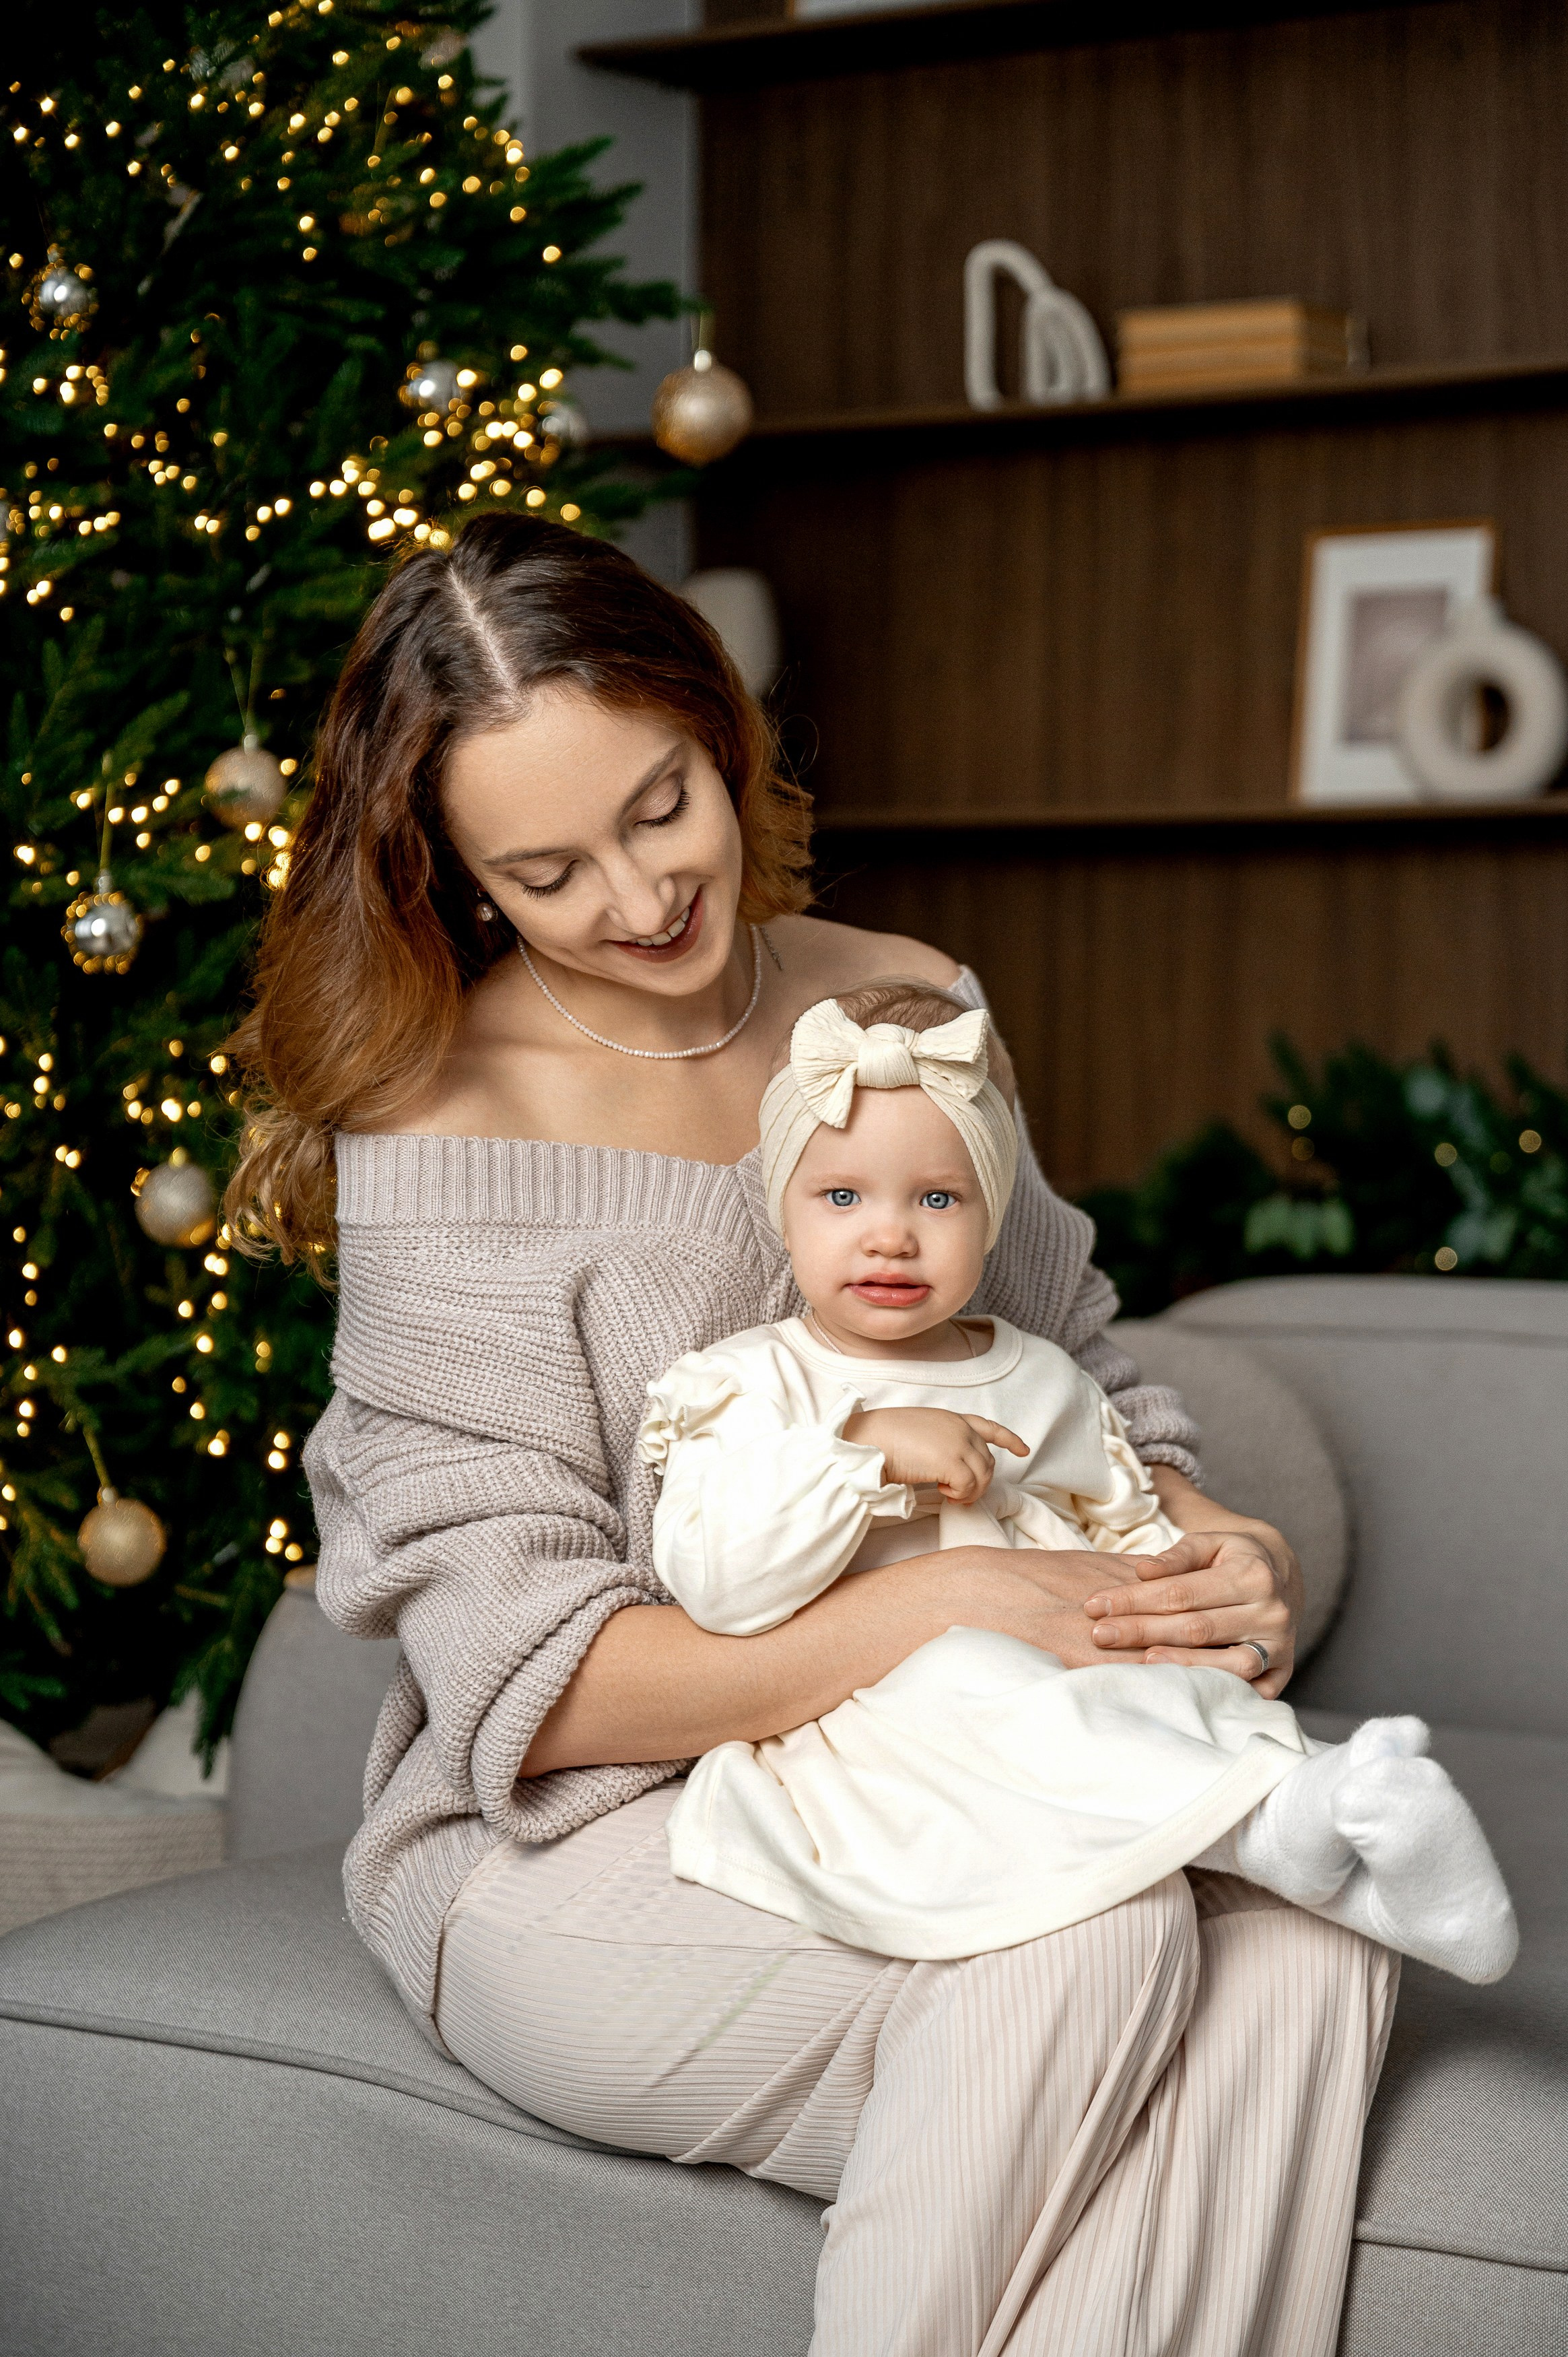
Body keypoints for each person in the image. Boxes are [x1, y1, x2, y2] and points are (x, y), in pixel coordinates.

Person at [231, 513, 1400, 2357]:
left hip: (975, 1760)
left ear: (722, 725)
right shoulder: (442, 1126)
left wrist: (1202, 1534)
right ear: (456, 879)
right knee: (1087, 1942)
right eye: (542, 871)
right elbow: (535, 1685)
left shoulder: (903, 1003)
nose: (634, 899)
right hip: (589, 1834)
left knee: (1322, 1942)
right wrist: (954, 1608)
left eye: (661, 806)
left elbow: (1069, 1359)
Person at [642, 982, 1516, 1982]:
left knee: (1173, 1690)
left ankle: (1348, 1814)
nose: (889, 1235)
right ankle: (1279, 1830)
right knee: (980, 1677)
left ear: (992, 1213)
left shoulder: (1038, 1377)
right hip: (880, 1712)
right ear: (782, 1213)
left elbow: (1129, 1526)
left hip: (1063, 1659)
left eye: (937, 1198)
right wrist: (866, 1453)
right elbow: (719, 1583)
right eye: (842, 1197)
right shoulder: (750, 1384)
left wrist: (1189, 1600)